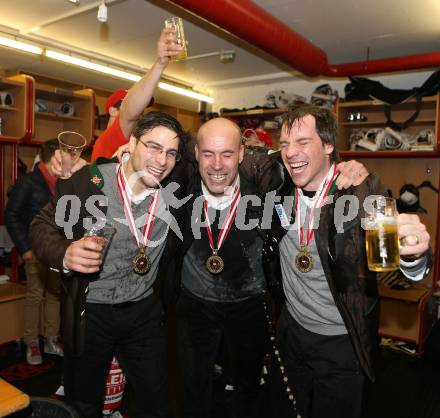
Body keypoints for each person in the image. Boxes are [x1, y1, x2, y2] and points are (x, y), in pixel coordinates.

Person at [171, 117, 368, 418]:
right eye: (208, 153)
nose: (217, 164)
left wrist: (350, 167)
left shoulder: (267, 186)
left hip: (251, 306)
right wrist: (127, 156)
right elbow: (147, 162)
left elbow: (303, 163)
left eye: (227, 154)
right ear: (196, 154)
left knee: (250, 390)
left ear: (241, 155)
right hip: (196, 306)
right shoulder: (180, 179)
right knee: (191, 388)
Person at [266, 104, 432, 418]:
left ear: (329, 145)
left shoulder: (360, 191)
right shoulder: (277, 182)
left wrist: (415, 255)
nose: (290, 153)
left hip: (341, 339)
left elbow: (396, 265)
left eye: (303, 143)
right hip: (290, 332)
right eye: (285, 144)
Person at [29, 112, 186, 418]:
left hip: (143, 311)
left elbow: (216, 157)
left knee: (158, 400)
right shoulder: (91, 183)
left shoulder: (175, 187)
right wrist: (64, 253)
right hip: (92, 311)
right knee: (84, 402)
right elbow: (40, 226)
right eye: (153, 147)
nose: (162, 160)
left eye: (170, 153)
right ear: (131, 143)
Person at [5, 139, 63, 365]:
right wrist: (25, 248)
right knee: (35, 296)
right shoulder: (28, 182)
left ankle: (50, 339)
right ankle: (31, 342)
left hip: (57, 249)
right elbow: (11, 215)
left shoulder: (63, 181)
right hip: (35, 250)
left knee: (55, 296)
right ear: (53, 156)